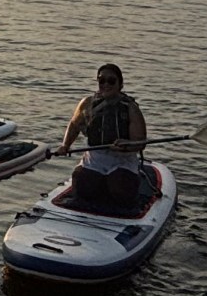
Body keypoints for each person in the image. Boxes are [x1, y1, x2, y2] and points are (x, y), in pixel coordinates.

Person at [56, 62, 151, 214]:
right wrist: (65, 145)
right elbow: (74, 125)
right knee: (83, 186)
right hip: (95, 159)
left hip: (122, 161)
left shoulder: (130, 108)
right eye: (102, 80)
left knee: (119, 187)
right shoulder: (87, 103)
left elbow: (140, 142)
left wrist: (127, 145)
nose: (106, 84)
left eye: (111, 81)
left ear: (120, 84)